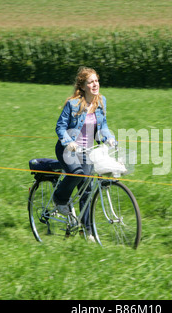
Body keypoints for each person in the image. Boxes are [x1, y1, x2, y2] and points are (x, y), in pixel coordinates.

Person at [53, 67, 115, 235]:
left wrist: (109, 138)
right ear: (83, 86)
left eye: (96, 80)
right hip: (68, 150)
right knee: (77, 173)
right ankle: (59, 199)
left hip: (87, 151)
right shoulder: (72, 104)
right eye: (91, 82)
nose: (95, 84)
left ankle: (87, 232)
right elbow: (60, 127)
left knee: (87, 191)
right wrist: (69, 142)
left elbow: (102, 127)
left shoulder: (101, 102)